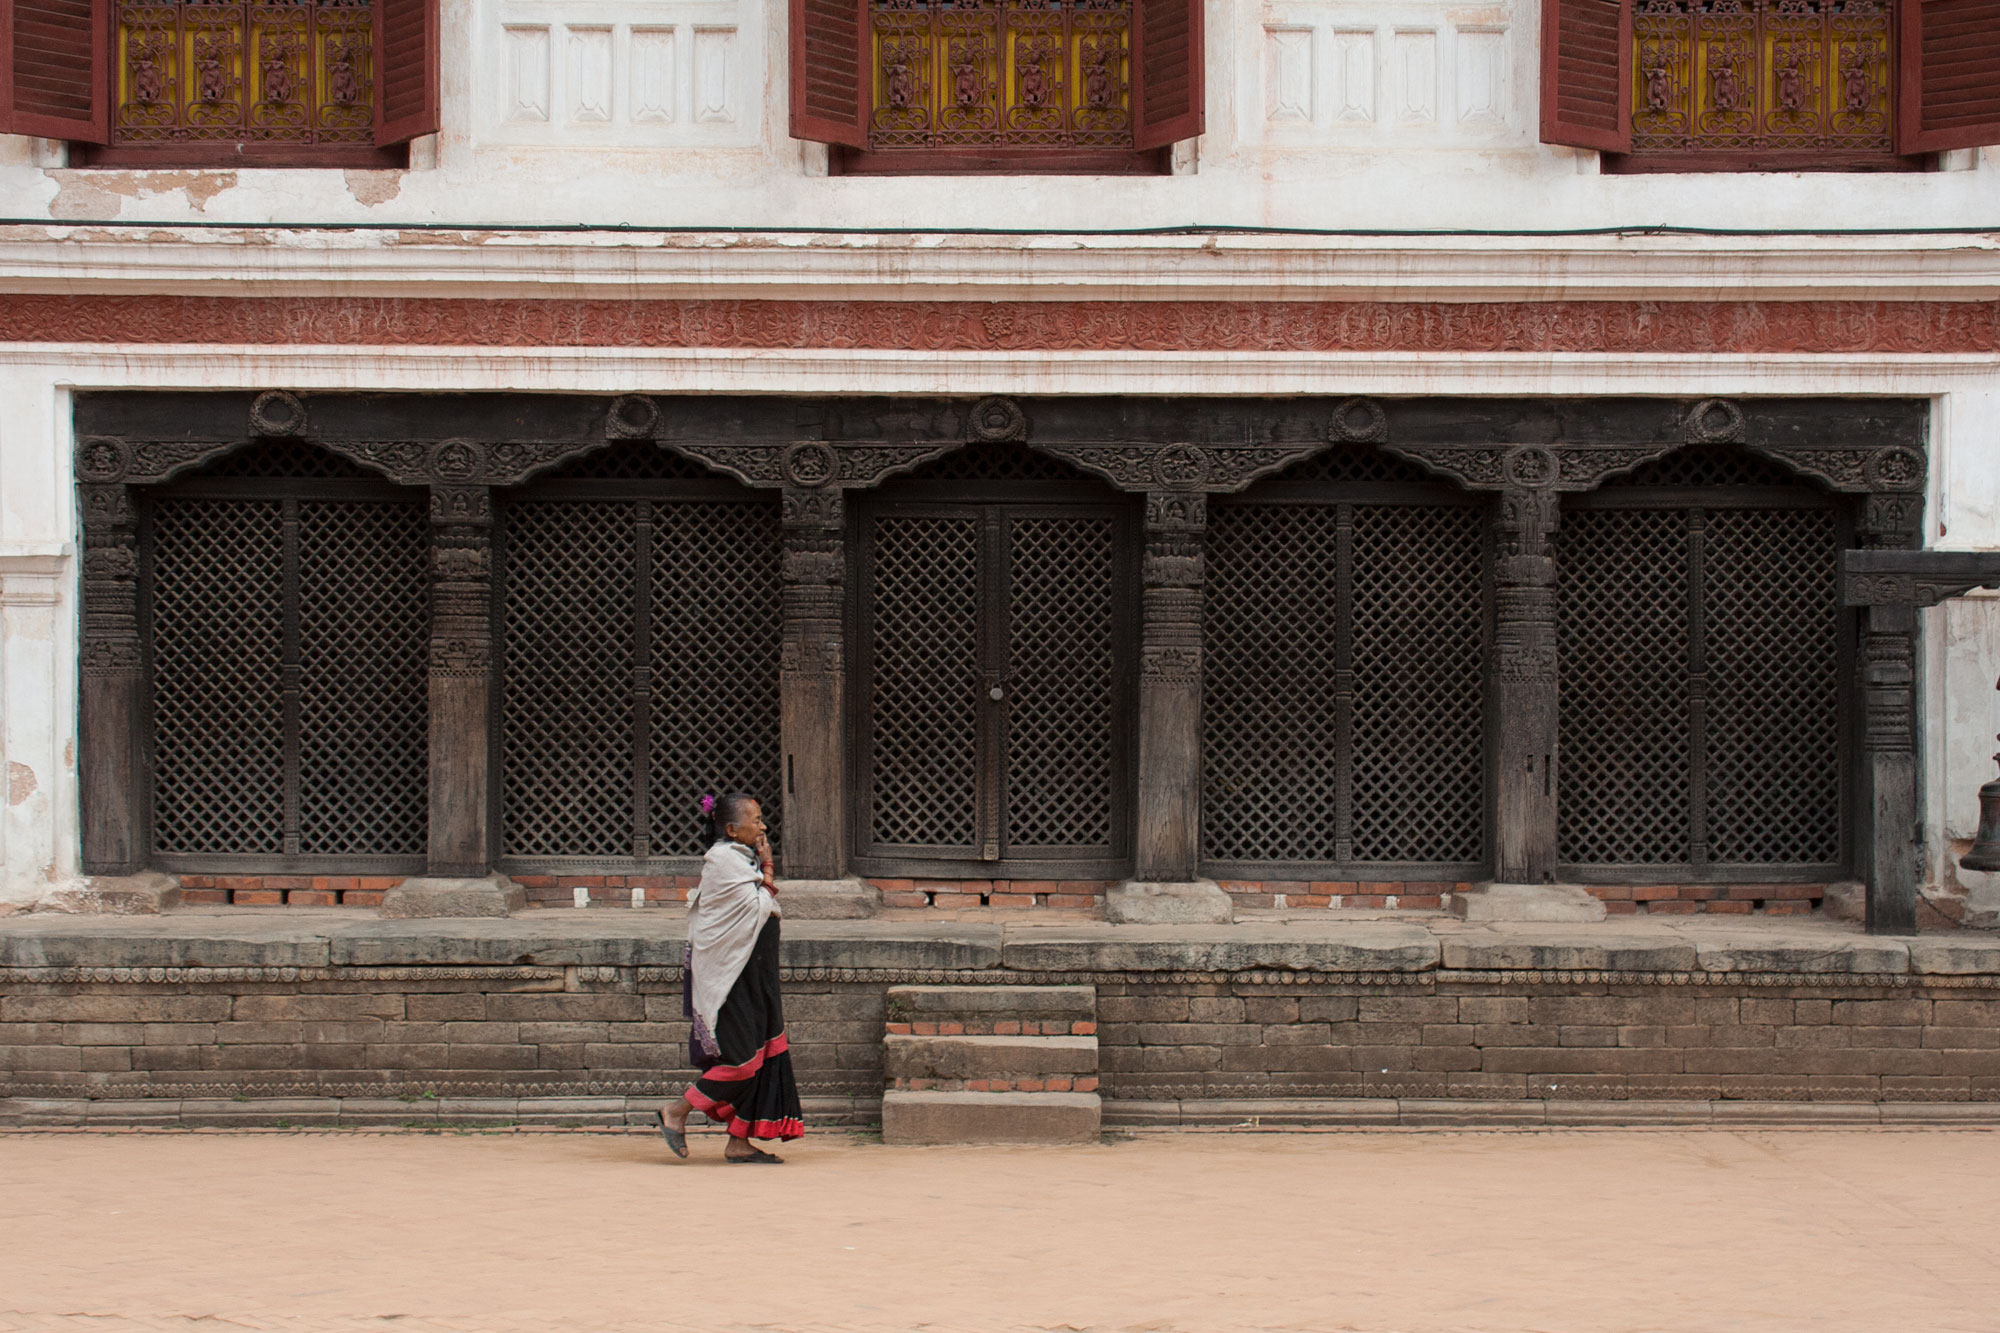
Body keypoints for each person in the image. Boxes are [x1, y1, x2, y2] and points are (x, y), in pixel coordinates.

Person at [656, 792, 803, 1163]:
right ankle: (676, 1110)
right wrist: (769, 870)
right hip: (730, 979)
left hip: (754, 975)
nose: (763, 826)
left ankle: (739, 1141)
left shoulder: (742, 857)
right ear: (732, 829)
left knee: (765, 1054)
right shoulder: (722, 860)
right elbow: (758, 906)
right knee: (740, 1061)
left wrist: (763, 867)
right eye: (756, 820)